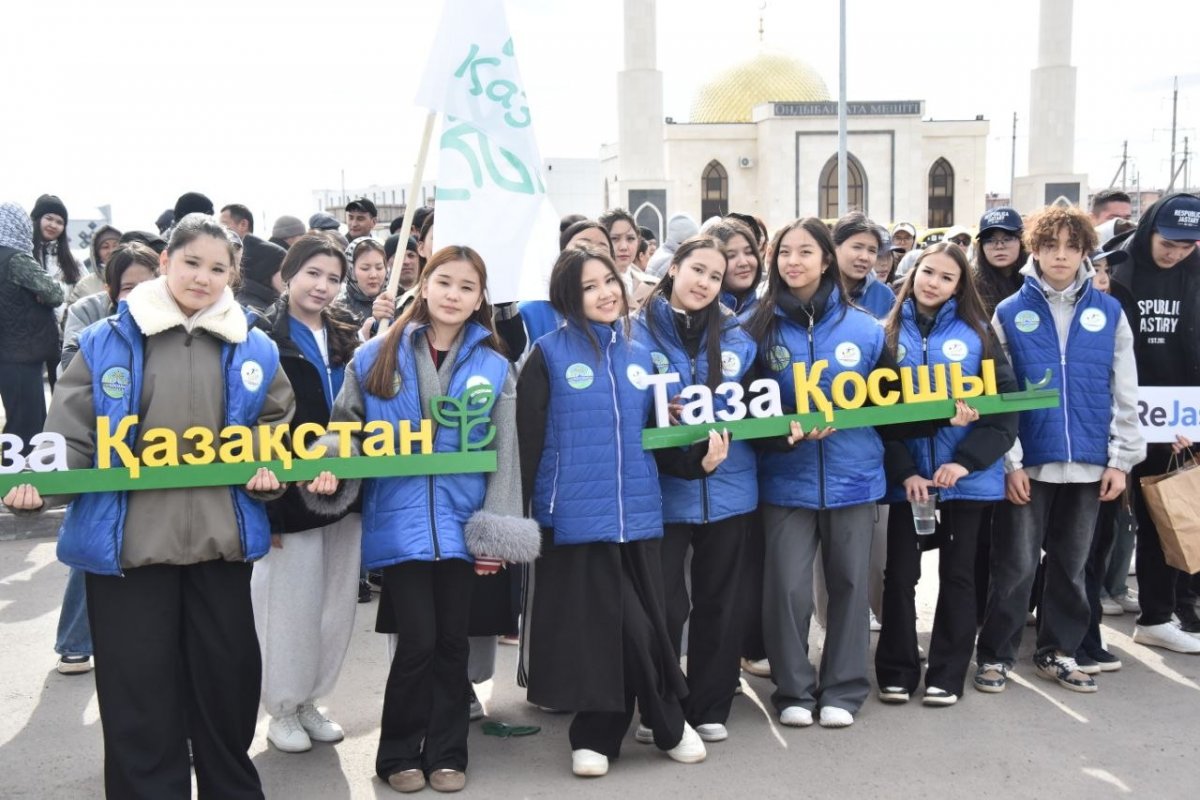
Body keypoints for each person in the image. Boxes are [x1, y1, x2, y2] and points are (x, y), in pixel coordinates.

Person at [3, 212, 296, 799]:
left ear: (232, 278)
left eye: (218, 269)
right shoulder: (106, 340)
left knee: (227, 690)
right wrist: (40, 491)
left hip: (221, 548)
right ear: (165, 262)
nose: (202, 278)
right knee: (139, 702)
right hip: (128, 554)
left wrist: (273, 475)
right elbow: (72, 440)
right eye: (191, 262)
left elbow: (275, 426)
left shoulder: (254, 344)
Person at [316, 245, 536, 793]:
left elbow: (506, 450)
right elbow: (343, 426)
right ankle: (397, 754)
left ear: (480, 297)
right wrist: (328, 468)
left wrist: (496, 528)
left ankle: (447, 753)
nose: (454, 295)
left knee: (453, 643)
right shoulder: (374, 355)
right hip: (402, 521)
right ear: (425, 285)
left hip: (464, 526)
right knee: (416, 641)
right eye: (445, 282)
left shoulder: (493, 361)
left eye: (467, 287)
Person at [743, 217, 961, 728]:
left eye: (805, 252)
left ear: (826, 259)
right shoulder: (756, 326)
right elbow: (747, 410)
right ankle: (794, 689)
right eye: (784, 253)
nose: (793, 262)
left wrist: (947, 412)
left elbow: (894, 407)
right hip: (784, 480)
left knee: (849, 586)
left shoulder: (866, 328)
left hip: (854, 479)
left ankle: (842, 688)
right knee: (788, 590)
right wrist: (785, 434)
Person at [518, 245, 708, 778]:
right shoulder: (547, 354)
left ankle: (633, 729)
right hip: (574, 521)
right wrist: (518, 519)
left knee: (649, 627)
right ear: (566, 297)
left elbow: (660, 440)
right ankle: (618, 732)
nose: (605, 293)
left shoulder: (641, 354)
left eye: (609, 282)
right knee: (609, 632)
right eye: (588, 286)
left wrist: (701, 459)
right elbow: (526, 443)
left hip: (640, 517)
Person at [975, 204, 1145, 694]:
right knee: (1017, 566)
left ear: (1086, 252)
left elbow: (1124, 390)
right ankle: (996, 655)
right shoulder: (1010, 312)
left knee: (1072, 567)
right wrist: (1010, 461)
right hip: (1031, 460)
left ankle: (1059, 651)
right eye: (1050, 246)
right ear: (1035, 249)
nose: (1061, 256)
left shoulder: (1108, 311)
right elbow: (1000, 392)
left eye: (1073, 246)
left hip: (1091, 463)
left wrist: (1120, 461)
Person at [875, 243, 1018, 706]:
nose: (933, 282)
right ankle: (897, 669)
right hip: (910, 482)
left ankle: (947, 673)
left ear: (961, 285)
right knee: (899, 576)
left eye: (946, 277)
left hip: (966, 481)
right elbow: (878, 416)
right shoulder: (888, 334)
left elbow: (1003, 413)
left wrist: (966, 462)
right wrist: (905, 473)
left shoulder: (978, 334)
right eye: (927, 272)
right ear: (913, 272)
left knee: (959, 576)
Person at [632, 235, 756, 743]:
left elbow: (763, 404)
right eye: (696, 270)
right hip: (660, 494)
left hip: (730, 489)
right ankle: (658, 706)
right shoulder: (634, 331)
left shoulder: (740, 336)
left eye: (714, 276)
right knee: (663, 607)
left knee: (720, 604)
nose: (704, 283)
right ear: (673, 267)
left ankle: (709, 706)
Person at [250, 235, 363, 753]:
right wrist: (265, 504)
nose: (322, 286)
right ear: (288, 275)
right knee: (288, 603)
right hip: (288, 496)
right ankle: (282, 707)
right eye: (313, 273)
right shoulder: (261, 337)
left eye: (334, 278)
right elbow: (248, 421)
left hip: (347, 488)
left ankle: (314, 698)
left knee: (336, 600)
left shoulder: (349, 333)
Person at [52, 242, 160, 675]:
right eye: (127, 287)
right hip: (106, 457)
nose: (137, 295)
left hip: (158, 465)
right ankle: (76, 640)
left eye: (147, 285)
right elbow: (69, 381)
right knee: (97, 545)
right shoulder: (95, 328)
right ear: (112, 291)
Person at [1110, 192, 1200, 653]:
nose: (1176, 253)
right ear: (1150, 230)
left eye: (1187, 246)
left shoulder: (1195, 273)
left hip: (1183, 417)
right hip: (1124, 413)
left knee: (1174, 514)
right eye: (1169, 242)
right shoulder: (1116, 268)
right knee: (1115, 522)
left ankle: (1168, 612)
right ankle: (1137, 616)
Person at [0, 202, 64, 453]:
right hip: (22, 353)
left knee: (20, 417)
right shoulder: (16, 259)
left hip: (7, 353)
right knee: (28, 424)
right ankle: (19, 482)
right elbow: (54, 293)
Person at [520, 219, 615, 344]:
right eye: (582, 246)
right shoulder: (531, 312)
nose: (592, 255)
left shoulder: (615, 310)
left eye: (602, 249)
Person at [832, 212, 896, 319]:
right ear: (834, 247)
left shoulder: (884, 296)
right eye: (857, 247)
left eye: (872, 250)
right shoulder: (812, 290)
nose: (864, 257)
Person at [599, 208, 657, 311]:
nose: (624, 247)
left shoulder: (654, 285)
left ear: (638, 241)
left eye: (630, 239)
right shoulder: (589, 287)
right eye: (615, 239)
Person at [709, 218, 764, 315]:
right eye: (731, 256)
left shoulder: (770, 312)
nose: (743, 262)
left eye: (749, 252)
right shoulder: (698, 315)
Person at [73, 224, 122, 302]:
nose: (112, 251)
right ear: (97, 254)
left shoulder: (136, 277)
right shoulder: (85, 285)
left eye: (116, 246)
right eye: (105, 247)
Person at [646, 213, 700, 278]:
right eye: (695, 241)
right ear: (684, 241)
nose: (697, 247)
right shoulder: (672, 262)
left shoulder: (664, 251)